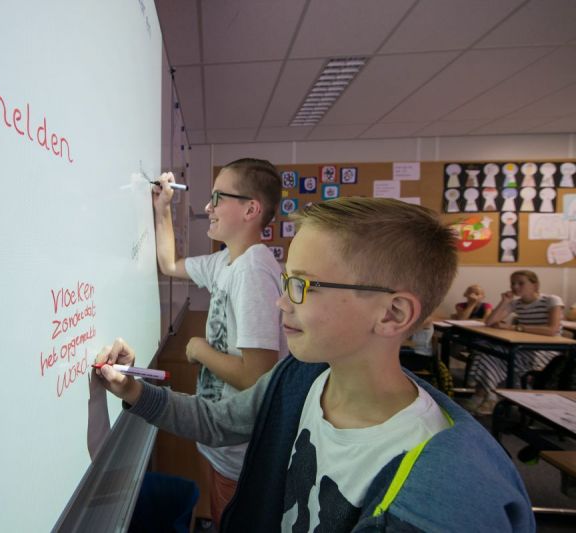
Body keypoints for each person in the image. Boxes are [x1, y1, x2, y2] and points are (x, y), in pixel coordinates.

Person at [96, 198, 533, 532]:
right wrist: (134, 389)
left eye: (303, 285)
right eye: (288, 280)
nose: (281, 300)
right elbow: (218, 422)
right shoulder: (300, 378)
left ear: (393, 315)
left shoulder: (439, 497)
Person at [152, 158, 288, 526]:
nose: (208, 207)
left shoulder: (254, 273)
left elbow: (258, 376)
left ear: (250, 209)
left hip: (240, 451)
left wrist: (200, 350)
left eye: (218, 198)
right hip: (222, 441)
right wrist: (163, 209)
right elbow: (169, 264)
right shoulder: (226, 261)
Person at [464, 270, 564, 414]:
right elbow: (490, 321)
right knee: (486, 351)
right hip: (522, 346)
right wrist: (504, 301)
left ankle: (484, 396)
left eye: (521, 283)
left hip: (545, 350)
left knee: (496, 355)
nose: (515, 287)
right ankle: (488, 395)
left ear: (535, 285)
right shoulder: (517, 303)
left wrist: (516, 327)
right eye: (513, 283)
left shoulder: (552, 300)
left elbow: (552, 330)